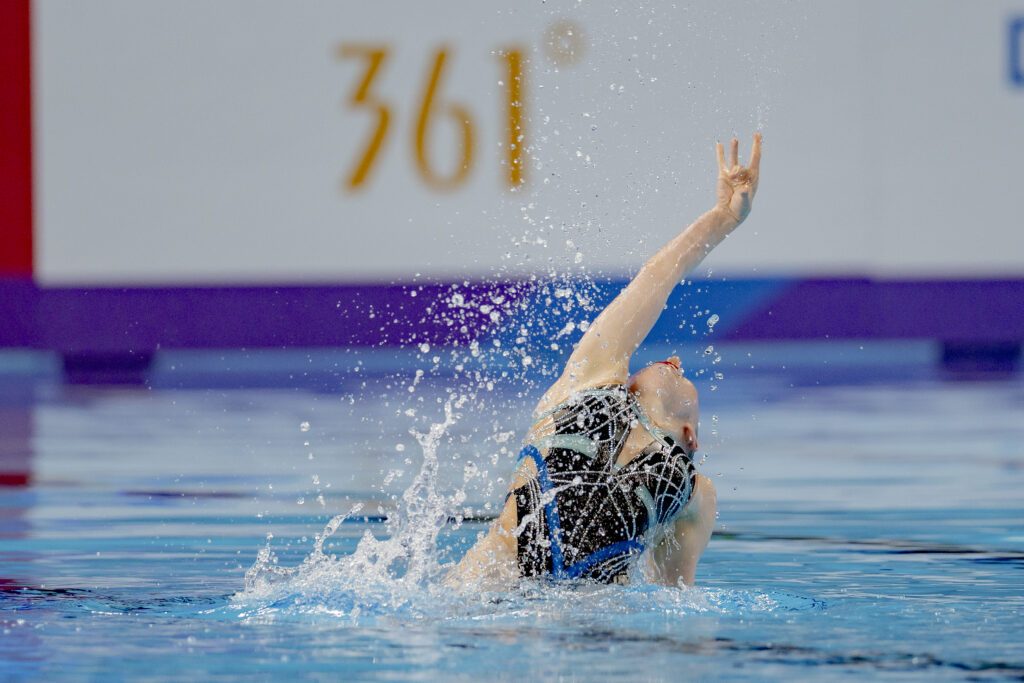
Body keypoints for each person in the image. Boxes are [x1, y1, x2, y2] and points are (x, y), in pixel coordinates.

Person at [450, 134, 762, 587]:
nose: (674, 358)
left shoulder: (695, 494)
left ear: (690, 436)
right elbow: (657, 277)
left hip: (587, 632)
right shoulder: (589, 380)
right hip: (482, 597)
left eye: (683, 371)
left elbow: (673, 599)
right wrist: (720, 221)